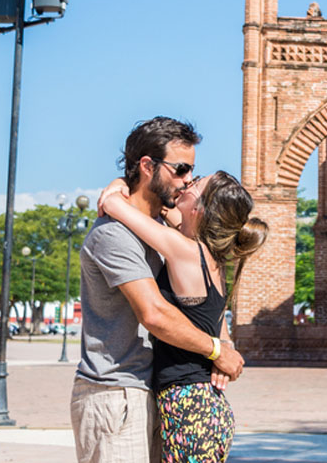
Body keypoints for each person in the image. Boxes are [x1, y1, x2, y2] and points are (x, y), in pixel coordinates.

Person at [71, 117, 245, 463]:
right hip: (116, 392)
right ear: (148, 166)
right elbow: (154, 313)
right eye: (180, 170)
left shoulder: (167, 228)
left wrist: (224, 341)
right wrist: (216, 350)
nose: (186, 181)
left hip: (154, 391)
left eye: (192, 173)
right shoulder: (113, 234)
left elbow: (206, 300)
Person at [99, 170, 267, 463]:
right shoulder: (209, 255)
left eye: (195, 184)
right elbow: (167, 211)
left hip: (188, 405)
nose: (186, 185)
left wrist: (117, 186)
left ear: (199, 208)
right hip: (204, 406)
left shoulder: (185, 251)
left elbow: (114, 206)